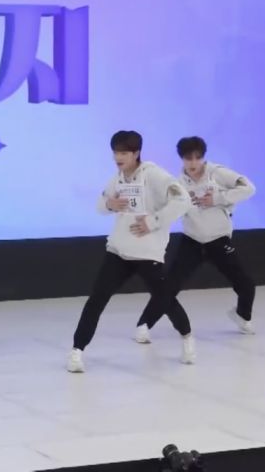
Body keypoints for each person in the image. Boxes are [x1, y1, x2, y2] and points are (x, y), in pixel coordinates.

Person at [67, 131, 194, 373]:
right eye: (116, 152)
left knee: (165, 299)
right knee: (96, 300)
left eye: (124, 152)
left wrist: (153, 221)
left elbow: (183, 200)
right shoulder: (118, 179)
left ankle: (187, 338)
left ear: (136, 153)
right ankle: (77, 351)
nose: (118, 157)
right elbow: (100, 205)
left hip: (147, 253)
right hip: (118, 251)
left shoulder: (154, 175)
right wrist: (109, 204)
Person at [134, 136, 258, 342]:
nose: (193, 163)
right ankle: (144, 325)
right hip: (192, 241)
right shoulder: (177, 183)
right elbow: (166, 208)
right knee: (169, 286)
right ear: (181, 158)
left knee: (246, 284)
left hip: (218, 240)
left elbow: (248, 188)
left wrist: (217, 198)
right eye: (188, 158)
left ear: (203, 157)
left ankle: (243, 316)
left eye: (197, 158)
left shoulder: (217, 173)